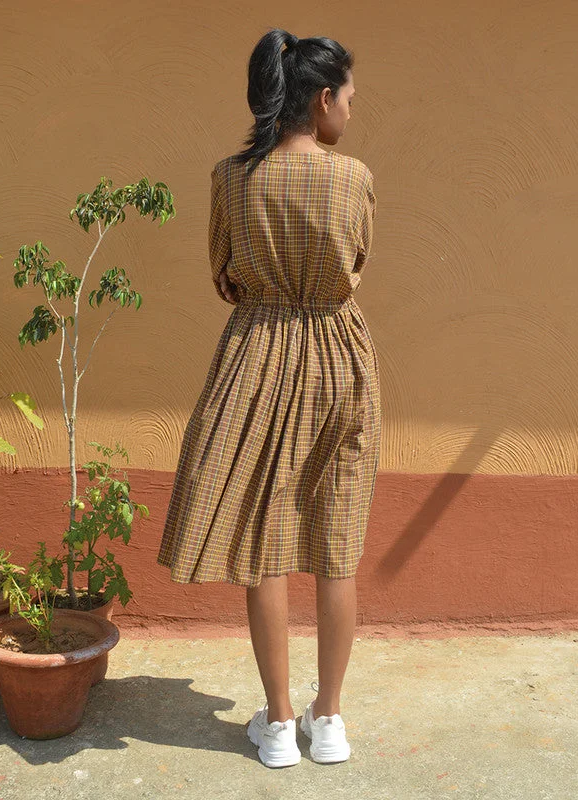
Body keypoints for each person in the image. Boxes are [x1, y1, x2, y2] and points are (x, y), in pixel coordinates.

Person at [157, 27, 379, 768]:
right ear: (322, 100)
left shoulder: (229, 177)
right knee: (336, 543)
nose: (352, 107)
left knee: (263, 540)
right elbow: (356, 261)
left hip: (254, 354)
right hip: (338, 358)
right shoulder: (354, 178)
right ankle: (331, 720)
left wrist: (264, 294)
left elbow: (221, 274)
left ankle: (280, 724)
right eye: (348, 95)